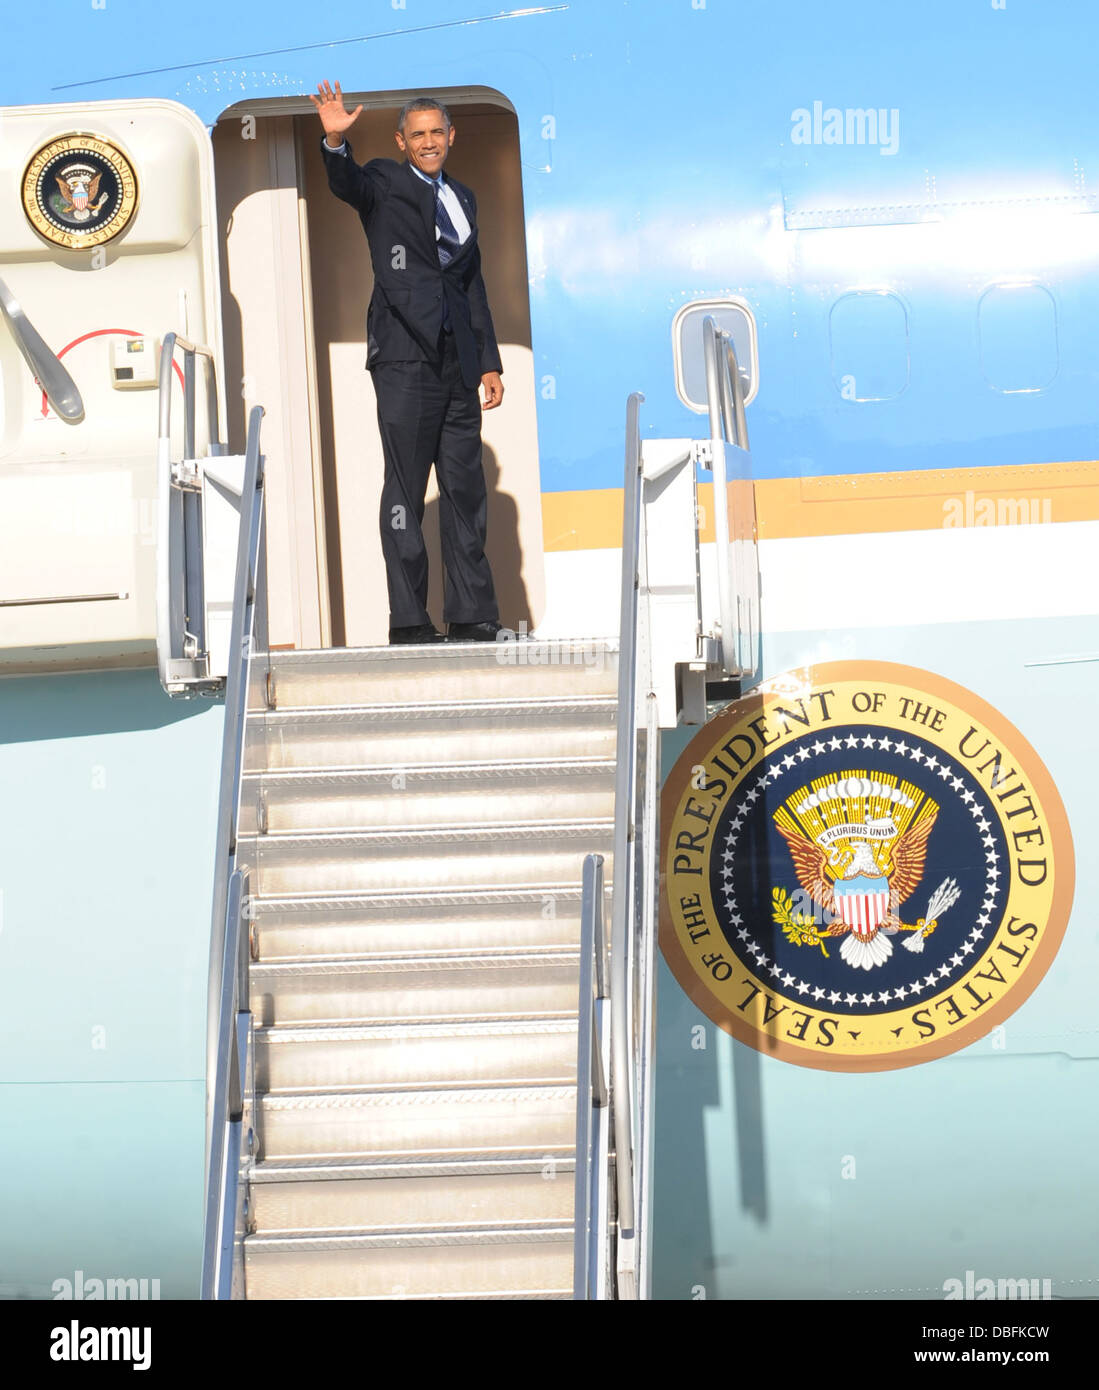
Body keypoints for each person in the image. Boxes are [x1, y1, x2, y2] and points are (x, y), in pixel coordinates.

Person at [309, 80, 505, 644]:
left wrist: (488, 361)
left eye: (436, 132)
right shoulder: (383, 181)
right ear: (401, 141)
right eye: (417, 135)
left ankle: (471, 615)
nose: (428, 142)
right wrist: (334, 141)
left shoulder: (462, 197)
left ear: (451, 136)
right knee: (405, 492)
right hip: (403, 360)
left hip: (458, 364)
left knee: (465, 490)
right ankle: (411, 620)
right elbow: (346, 183)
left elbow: (471, 284)